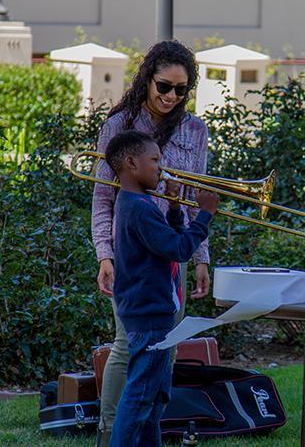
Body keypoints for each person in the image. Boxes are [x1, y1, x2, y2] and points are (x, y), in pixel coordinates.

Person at [91, 39, 211, 445]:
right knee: (128, 345)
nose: (171, 96)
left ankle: (145, 435)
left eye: (181, 89)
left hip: (173, 256)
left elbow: (192, 199)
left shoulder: (195, 130)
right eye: (164, 86)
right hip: (132, 253)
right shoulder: (120, 125)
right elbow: (102, 196)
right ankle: (112, 434)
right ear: (147, 79)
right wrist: (104, 254)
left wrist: (200, 259)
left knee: (167, 347)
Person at [102, 130, 218, 447]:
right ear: (130, 163)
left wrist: (177, 210)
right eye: (154, 160)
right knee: (140, 398)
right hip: (151, 316)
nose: (160, 167)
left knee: (154, 397)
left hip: (153, 313)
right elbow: (180, 250)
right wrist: (204, 214)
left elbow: (168, 245)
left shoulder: (139, 204)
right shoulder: (138, 208)